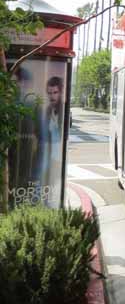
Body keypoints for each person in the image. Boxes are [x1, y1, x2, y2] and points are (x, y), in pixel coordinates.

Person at [37, 75, 64, 207]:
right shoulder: (48, 110)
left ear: (60, 92)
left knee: (55, 186)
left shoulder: (63, 110)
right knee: (48, 186)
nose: (52, 96)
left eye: (55, 92)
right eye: (49, 93)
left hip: (60, 157)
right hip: (51, 156)